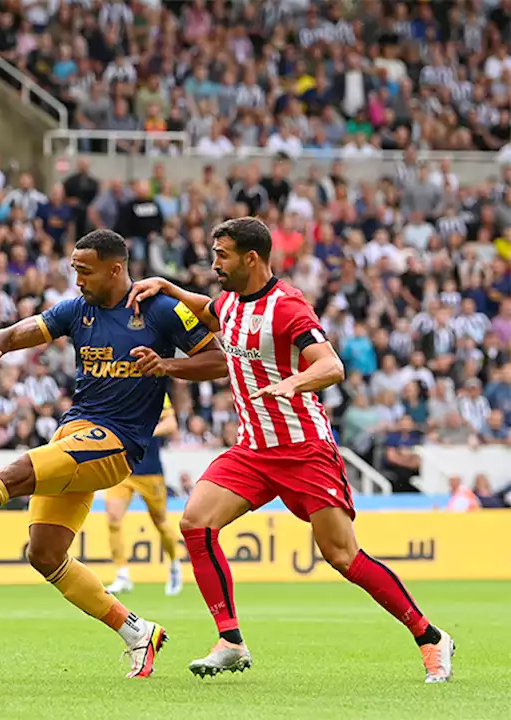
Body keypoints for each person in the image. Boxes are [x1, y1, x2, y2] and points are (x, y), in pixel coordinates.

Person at [0, 229, 226, 678]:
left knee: (14, 474)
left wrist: (166, 365)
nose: (77, 280)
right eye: (74, 269)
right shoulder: (78, 310)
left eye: (85, 271)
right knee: (44, 554)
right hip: (74, 437)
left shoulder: (159, 310)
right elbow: (22, 331)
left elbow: (219, 361)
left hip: (115, 444)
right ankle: (137, 632)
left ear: (116, 270)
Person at [127, 216, 454, 683]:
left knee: (343, 556)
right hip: (253, 451)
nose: (214, 264)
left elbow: (332, 365)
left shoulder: (288, 306)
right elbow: (212, 314)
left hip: (304, 450)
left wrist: (295, 383)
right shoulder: (232, 304)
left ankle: (430, 637)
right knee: (195, 523)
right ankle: (230, 641)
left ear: (251, 258)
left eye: (222, 256)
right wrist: (170, 295)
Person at [104, 396, 182, 596]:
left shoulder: (154, 390)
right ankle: (122, 575)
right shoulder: (114, 385)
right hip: (121, 467)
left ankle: (174, 564)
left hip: (149, 470)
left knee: (160, 522)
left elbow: (171, 424)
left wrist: (142, 433)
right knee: (113, 519)